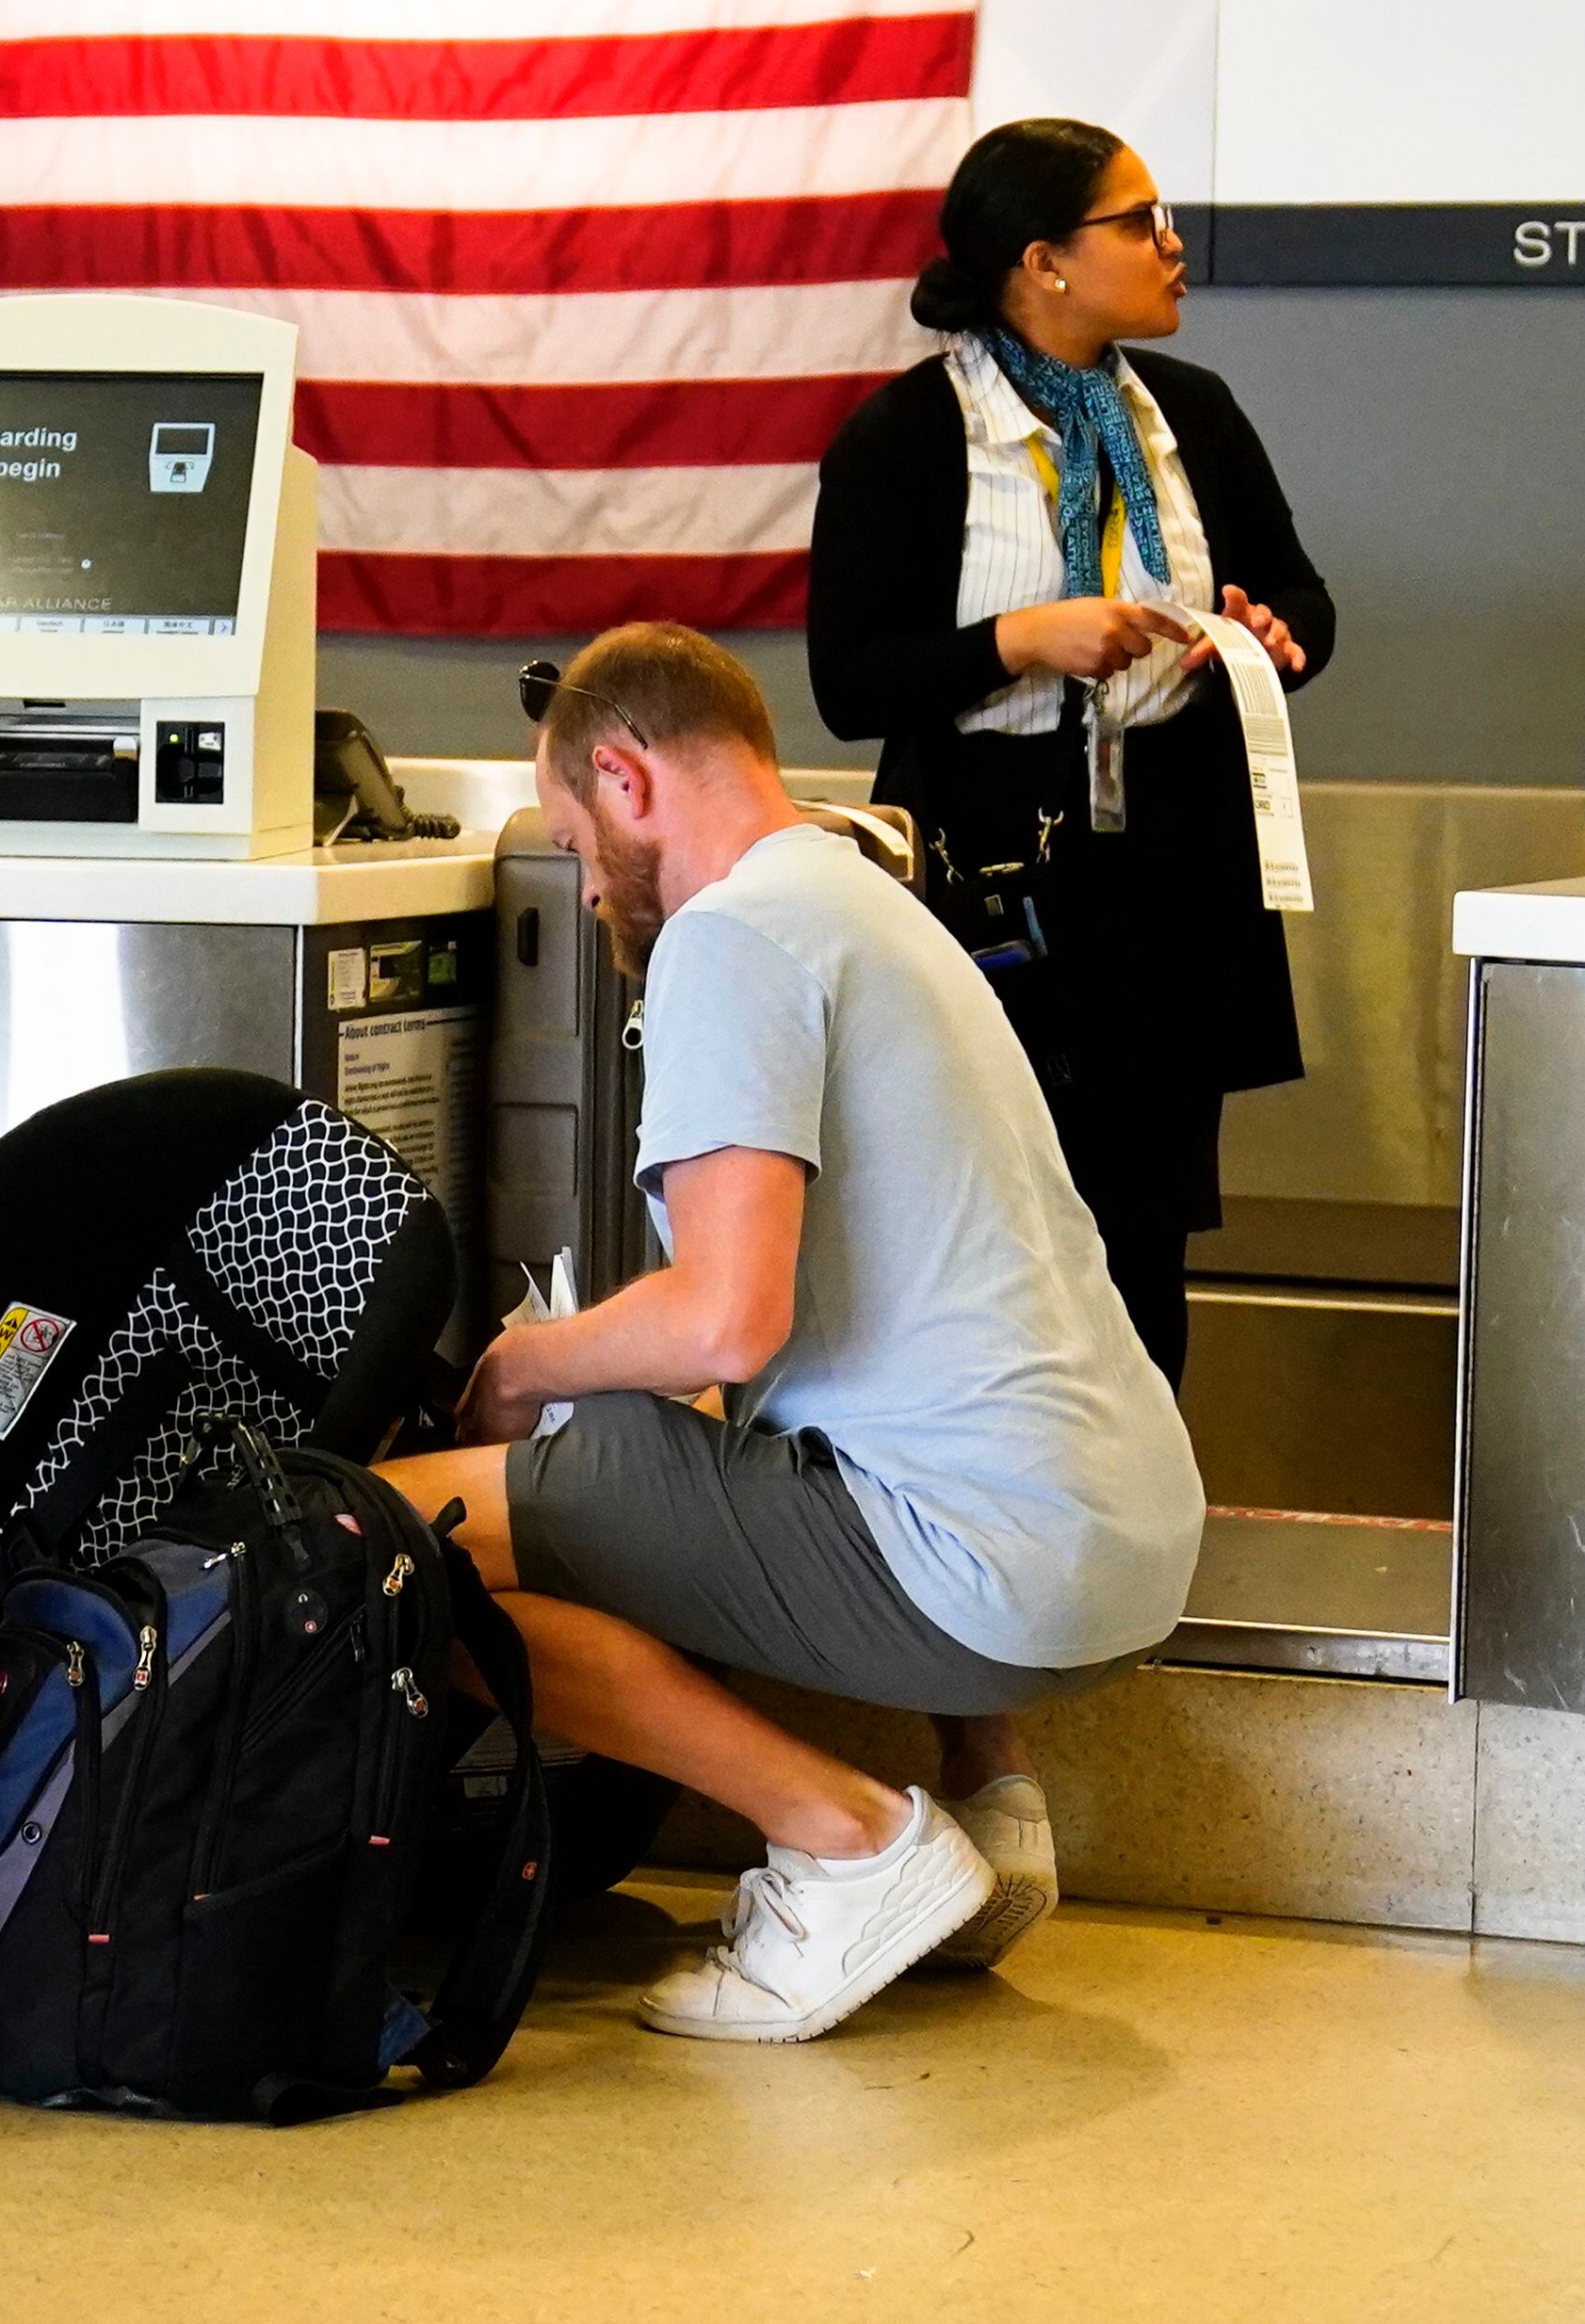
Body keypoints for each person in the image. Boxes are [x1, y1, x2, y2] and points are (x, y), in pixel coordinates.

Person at [379, 623, 1205, 2046]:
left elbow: (721, 1318)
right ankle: (988, 1812)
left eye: (576, 847)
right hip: (1121, 1544)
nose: (584, 893)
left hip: (995, 1567)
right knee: (671, 1440)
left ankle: (848, 1843)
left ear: (626, 778)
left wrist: (514, 1365)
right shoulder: (862, 898)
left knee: (398, 1549)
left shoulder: (726, 936)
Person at [809, 120, 1332, 1379]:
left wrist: (1265, 635)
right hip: (990, 870)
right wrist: (1020, 637)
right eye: (1138, 220)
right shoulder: (909, 436)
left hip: (1164, 866)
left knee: (1141, 1238)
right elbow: (848, 683)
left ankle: (1132, 1535)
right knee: (983, 1215)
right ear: (1042, 260)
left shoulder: (1190, 415)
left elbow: (1305, 605)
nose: (1171, 244)